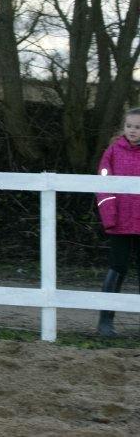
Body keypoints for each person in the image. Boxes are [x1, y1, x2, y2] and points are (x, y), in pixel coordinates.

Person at [95, 107, 140, 337]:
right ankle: (105, 322)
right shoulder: (112, 152)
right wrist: (109, 217)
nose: (133, 131)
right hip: (120, 223)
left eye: (138, 127)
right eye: (129, 126)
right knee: (117, 267)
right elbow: (103, 186)